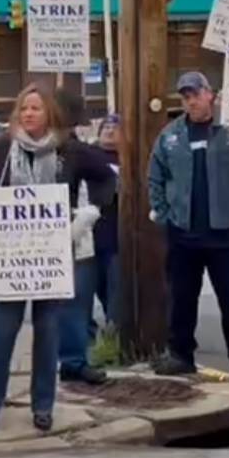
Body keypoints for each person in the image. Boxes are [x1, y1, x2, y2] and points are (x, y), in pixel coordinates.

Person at [0, 84, 114, 431]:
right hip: (9, 256)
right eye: (24, 108)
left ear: (50, 114)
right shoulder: (0, 149)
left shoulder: (70, 151)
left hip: (53, 255)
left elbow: (106, 178)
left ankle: (42, 405)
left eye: (36, 108)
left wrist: (90, 211)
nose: (28, 113)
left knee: (48, 333)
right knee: (1, 330)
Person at [148, 72, 229, 387]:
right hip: (183, 233)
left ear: (210, 95)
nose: (191, 101)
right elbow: (155, 175)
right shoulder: (171, 136)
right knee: (182, 297)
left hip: (227, 231)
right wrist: (163, 213)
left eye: (195, 94)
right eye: (185, 97)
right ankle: (180, 355)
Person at [55, 90, 112, 386]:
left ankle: (73, 361)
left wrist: (91, 211)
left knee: (76, 302)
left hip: (73, 234)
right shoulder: (17, 148)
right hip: (29, 237)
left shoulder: (78, 151)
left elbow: (106, 177)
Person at [92, 115, 122, 327]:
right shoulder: (89, 156)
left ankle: (114, 331)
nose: (110, 131)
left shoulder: (131, 158)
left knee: (114, 287)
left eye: (115, 127)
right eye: (106, 127)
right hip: (89, 235)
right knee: (94, 286)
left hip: (116, 236)